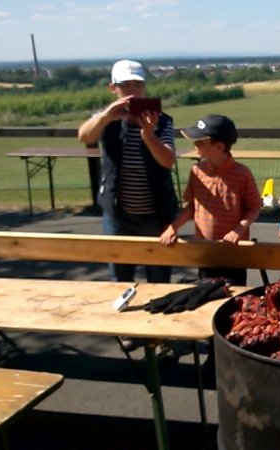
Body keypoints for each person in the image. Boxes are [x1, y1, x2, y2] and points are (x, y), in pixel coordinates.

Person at [78, 59, 178, 283]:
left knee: (159, 278)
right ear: (113, 88)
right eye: (126, 86)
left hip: (156, 214)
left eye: (138, 85)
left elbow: (167, 161)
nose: (133, 92)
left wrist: (149, 134)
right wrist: (106, 116)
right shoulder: (106, 120)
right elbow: (85, 137)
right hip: (117, 216)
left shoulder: (162, 121)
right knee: (120, 279)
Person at [160, 114, 262, 286]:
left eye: (200, 142)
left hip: (233, 253)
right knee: (206, 293)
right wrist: (173, 227)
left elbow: (254, 207)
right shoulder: (196, 172)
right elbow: (193, 207)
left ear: (219, 146)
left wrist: (238, 230)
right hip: (206, 252)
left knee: (232, 298)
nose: (195, 145)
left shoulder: (242, 174)